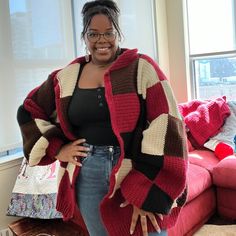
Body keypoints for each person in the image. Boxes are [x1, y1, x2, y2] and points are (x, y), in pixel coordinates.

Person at [17, 0, 188, 235]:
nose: (102, 40)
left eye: (109, 33)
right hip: (88, 171)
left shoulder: (142, 68)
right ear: (84, 37)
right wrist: (57, 149)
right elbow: (29, 109)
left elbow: (167, 125)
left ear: (118, 32)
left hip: (136, 166)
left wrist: (146, 191)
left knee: (151, 231)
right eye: (93, 34)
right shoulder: (65, 77)